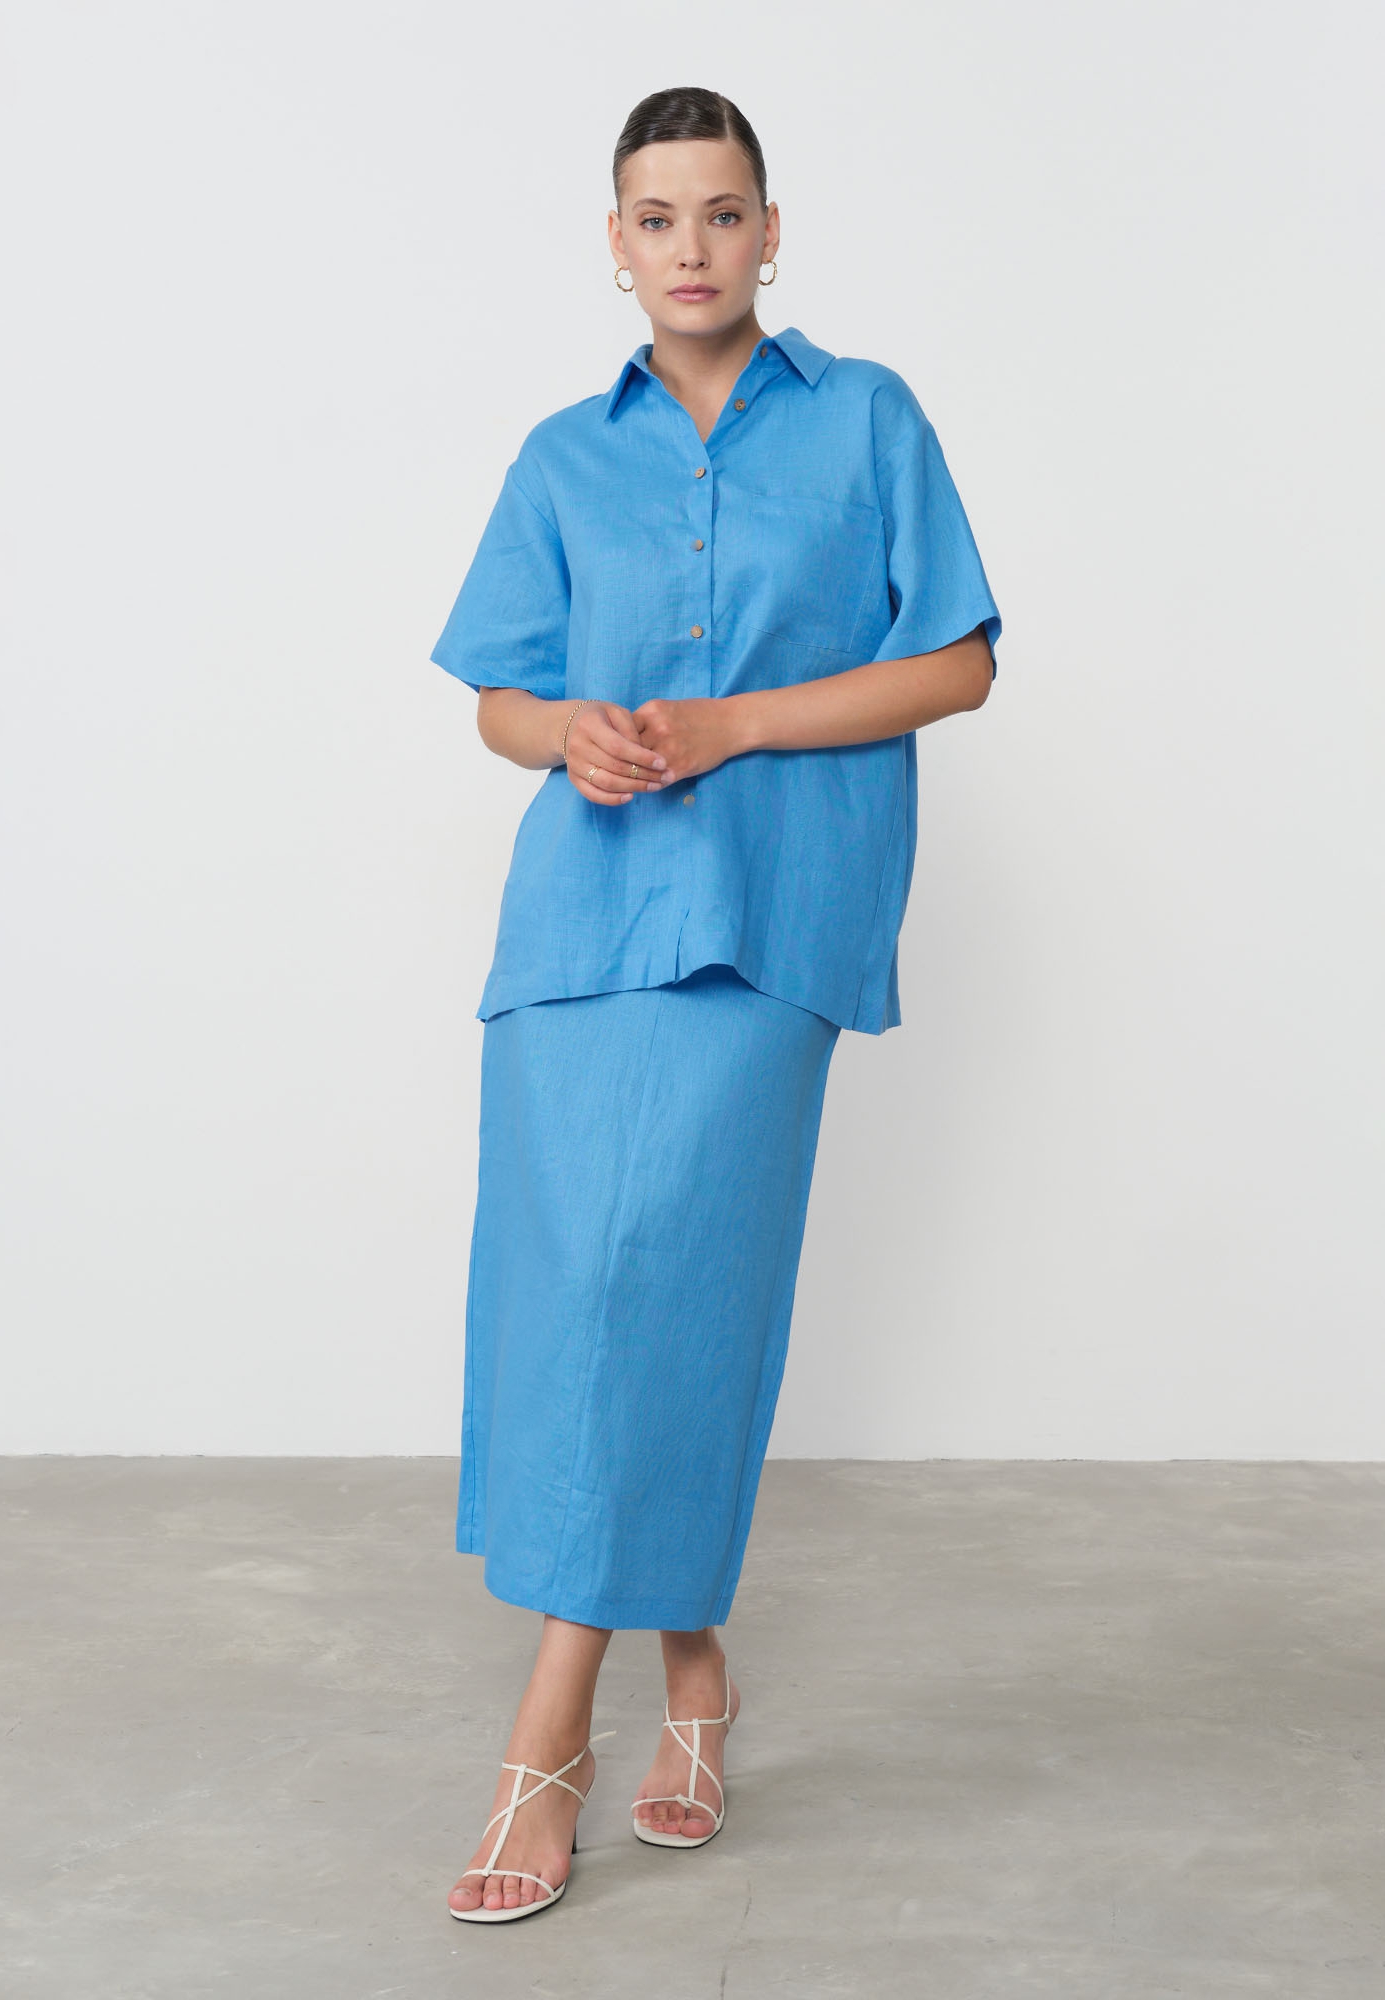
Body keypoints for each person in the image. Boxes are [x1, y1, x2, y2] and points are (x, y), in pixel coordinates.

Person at [430, 85, 1001, 1923]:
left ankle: (548, 1732)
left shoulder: (868, 419)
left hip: (772, 916)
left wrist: (738, 722)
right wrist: (570, 732)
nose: (693, 246)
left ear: (771, 229)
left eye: (723, 211)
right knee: (581, 1292)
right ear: (617, 244)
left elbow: (959, 662)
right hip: (580, 925)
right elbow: (497, 698)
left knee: (667, 1282)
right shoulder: (560, 456)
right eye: (658, 217)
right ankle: (697, 1681)